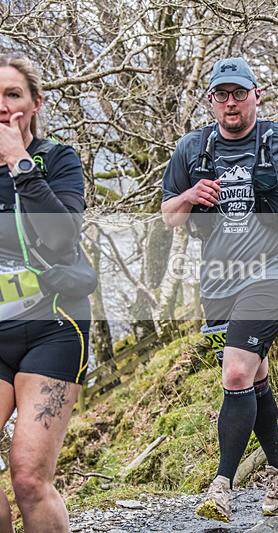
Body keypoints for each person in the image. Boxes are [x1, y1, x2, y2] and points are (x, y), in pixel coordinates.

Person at [161, 57, 278, 522]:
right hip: (218, 282)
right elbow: (168, 215)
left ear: (257, 95)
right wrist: (188, 196)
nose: (230, 102)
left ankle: (221, 487)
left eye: (239, 93)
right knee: (253, 378)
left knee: (235, 374)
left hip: (272, 273)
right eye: (222, 94)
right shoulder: (192, 150)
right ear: (212, 100)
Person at [0, 54, 92, 533]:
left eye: (12, 95)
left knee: (30, 478)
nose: (2, 107)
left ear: (35, 104)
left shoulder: (57, 161)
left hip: (53, 327)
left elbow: (61, 238)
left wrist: (19, 162)